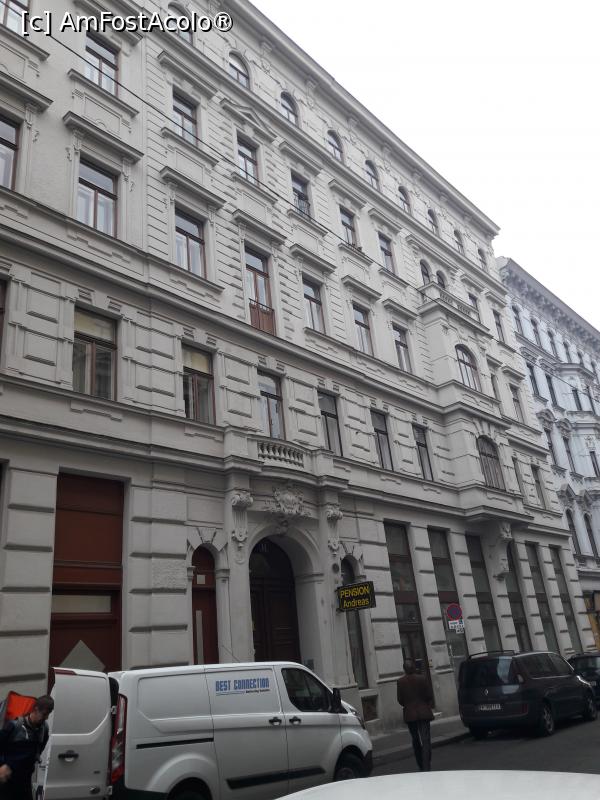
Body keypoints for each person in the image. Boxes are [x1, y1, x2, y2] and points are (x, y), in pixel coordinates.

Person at [0, 696, 54, 800]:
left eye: (48, 714)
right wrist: (2, 765)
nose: (46, 717)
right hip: (7, 780)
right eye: (44, 714)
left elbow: (39, 750)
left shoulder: (44, 729)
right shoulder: (14, 726)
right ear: (36, 709)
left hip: (25, 781)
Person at [396, 659, 434, 772]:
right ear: (413, 667)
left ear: (404, 669)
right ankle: (426, 766)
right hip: (423, 712)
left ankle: (420, 765)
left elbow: (400, 700)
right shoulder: (422, 678)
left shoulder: (400, 682)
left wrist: (408, 705)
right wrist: (425, 704)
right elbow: (429, 695)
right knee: (426, 740)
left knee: (415, 739)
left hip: (410, 714)